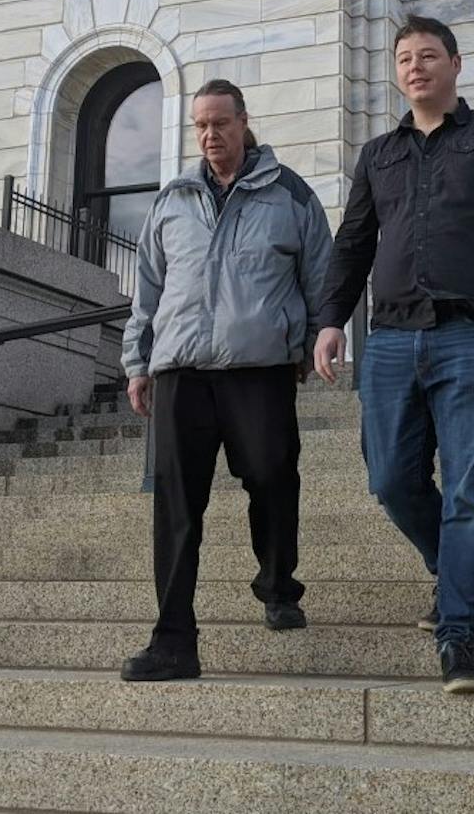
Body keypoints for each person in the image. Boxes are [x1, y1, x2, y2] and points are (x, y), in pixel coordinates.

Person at [312, 15, 474, 695]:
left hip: (473, 335)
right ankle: (450, 571)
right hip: (388, 340)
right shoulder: (378, 154)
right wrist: (330, 320)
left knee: (473, 493)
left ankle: (461, 642)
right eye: (404, 59)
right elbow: (353, 243)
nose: (414, 68)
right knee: (390, 480)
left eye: (427, 56)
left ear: (455, 63)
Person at [119, 79, 333, 681]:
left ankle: (277, 584)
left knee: (270, 476)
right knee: (176, 503)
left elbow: (320, 276)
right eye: (201, 127)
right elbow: (148, 292)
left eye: (221, 123)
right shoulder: (171, 201)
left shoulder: (288, 193)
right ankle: (172, 640)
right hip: (180, 370)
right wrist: (138, 362)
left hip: (259, 367)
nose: (211, 136)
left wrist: (320, 336)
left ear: (244, 121)